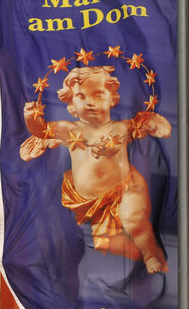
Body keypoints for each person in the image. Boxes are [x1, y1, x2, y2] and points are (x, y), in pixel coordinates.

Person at [21, 66, 169, 274]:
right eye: (81, 96)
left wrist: (150, 125)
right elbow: (42, 130)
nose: (90, 102)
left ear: (112, 98)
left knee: (134, 219)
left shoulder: (121, 128)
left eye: (98, 94)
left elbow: (152, 128)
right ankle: (139, 254)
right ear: (71, 102)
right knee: (105, 243)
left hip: (126, 186)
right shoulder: (69, 129)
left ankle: (149, 254)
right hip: (91, 200)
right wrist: (31, 117)